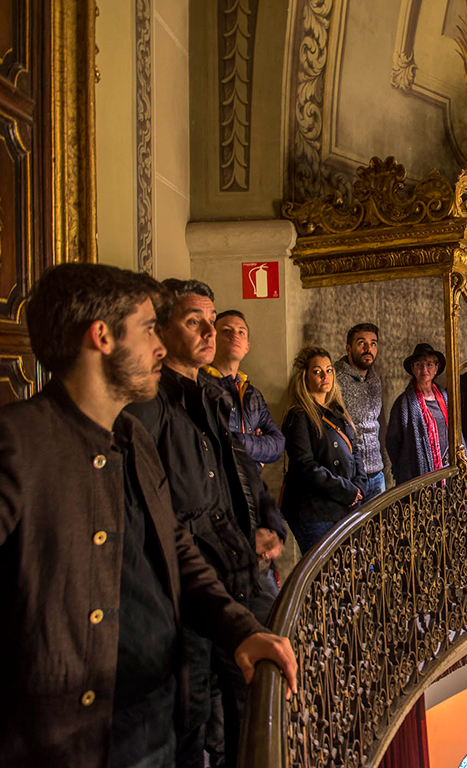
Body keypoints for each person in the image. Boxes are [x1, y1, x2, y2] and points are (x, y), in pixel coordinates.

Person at [0, 263, 296, 768]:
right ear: (103, 337)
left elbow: (176, 546)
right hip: (72, 741)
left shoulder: (131, 437)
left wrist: (240, 629)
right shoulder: (18, 442)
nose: (159, 347)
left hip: (159, 716)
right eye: (146, 329)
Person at [126, 279, 287, 768]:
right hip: (191, 588)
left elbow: (249, 478)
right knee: (197, 719)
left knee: (259, 701)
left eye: (211, 320)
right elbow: (157, 512)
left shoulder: (216, 397)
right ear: (163, 329)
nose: (208, 331)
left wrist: (271, 524)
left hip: (242, 571)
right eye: (193, 320)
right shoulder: (147, 408)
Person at [281, 346, 367, 554]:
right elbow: (305, 465)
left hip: (344, 507)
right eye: (317, 371)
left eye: (329, 370)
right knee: (323, 578)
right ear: (305, 377)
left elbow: (355, 452)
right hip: (315, 511)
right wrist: (347, 491)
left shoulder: (337, 411)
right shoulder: (299, 415)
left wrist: (360, 485)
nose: (324, 376)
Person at [200, 309, 285, 467]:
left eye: (241, 332)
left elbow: (277, 445)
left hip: (249, 487)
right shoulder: (199, 386)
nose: (235, 336)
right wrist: (256, 446)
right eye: (226, 331)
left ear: (247, 347)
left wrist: (238, 443)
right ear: (212, 340)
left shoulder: (252, 395)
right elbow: (206, 445)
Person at [386, 342, 450, 484]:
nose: (424, 369)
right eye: (419, 364)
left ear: (436, 368)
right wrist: (405, 467)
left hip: (447, 470)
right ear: (413, 369)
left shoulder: (445, 398)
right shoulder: (403, 403)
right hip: (417, 474)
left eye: (429, 364)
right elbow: (392, 442)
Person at [335, 322, 386, 498]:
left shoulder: (375, 379)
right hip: (349, 475)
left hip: (376, 472)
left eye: (373, 343)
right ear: (349, 348)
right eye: (361, 343)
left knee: (380, 525)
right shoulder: (335, 379)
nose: (368, 349)